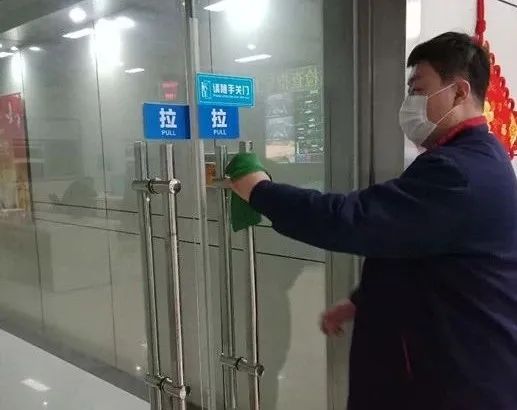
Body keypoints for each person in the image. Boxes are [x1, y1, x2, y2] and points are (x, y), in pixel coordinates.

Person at [228, 32, 517, 409]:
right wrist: (362, 301)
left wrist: (260, 191)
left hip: (452, 380)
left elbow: (352, 220)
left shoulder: (459, 173)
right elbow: (412, 247)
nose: (409, 103)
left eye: (419, 89)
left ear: (459, 92)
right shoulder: (476, 159)